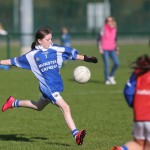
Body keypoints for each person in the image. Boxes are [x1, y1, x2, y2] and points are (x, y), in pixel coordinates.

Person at [0, 26, 98, 145]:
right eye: (47, 39)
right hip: (48, 88)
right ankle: (76, 134)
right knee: (65, 107)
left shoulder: (55, 49)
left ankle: (13, 102)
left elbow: (70, 54)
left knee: (38, 106)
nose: (50, 41)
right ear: (39, 40)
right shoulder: (32, 55)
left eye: (50, 39)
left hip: (56, 85)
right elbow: (12, 61)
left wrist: (86, 58)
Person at [111, 54, 150, 150]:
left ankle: (122, 149)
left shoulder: (138, 71)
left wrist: (135, 104)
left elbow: (128, 91)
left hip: (139, 115)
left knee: (139, 144)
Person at [97, 16, 119, 85]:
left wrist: (117, 49)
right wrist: (100, 49)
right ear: (106, 22)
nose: (109, 22)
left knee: (117, 63)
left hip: (112, 49)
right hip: (104, 49)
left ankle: (111, 76)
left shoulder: (114, 29)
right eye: (107, 21)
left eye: (111, 20)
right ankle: (107, 79)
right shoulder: (103, 28)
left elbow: (115, 40)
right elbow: (99, 39)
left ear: (113, 21)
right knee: (107, 64)